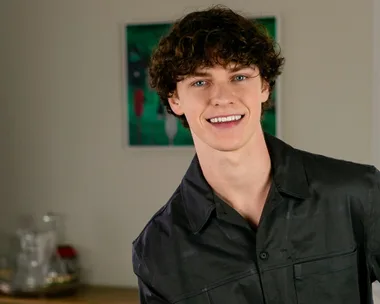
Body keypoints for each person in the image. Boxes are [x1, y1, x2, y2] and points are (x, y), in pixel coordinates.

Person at [132, 5, 380, 304]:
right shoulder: (159, 249)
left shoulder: (358, 193)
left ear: (264, 86)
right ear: (175, 100)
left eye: (239, 77)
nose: (222, 98)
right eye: (200, 82)